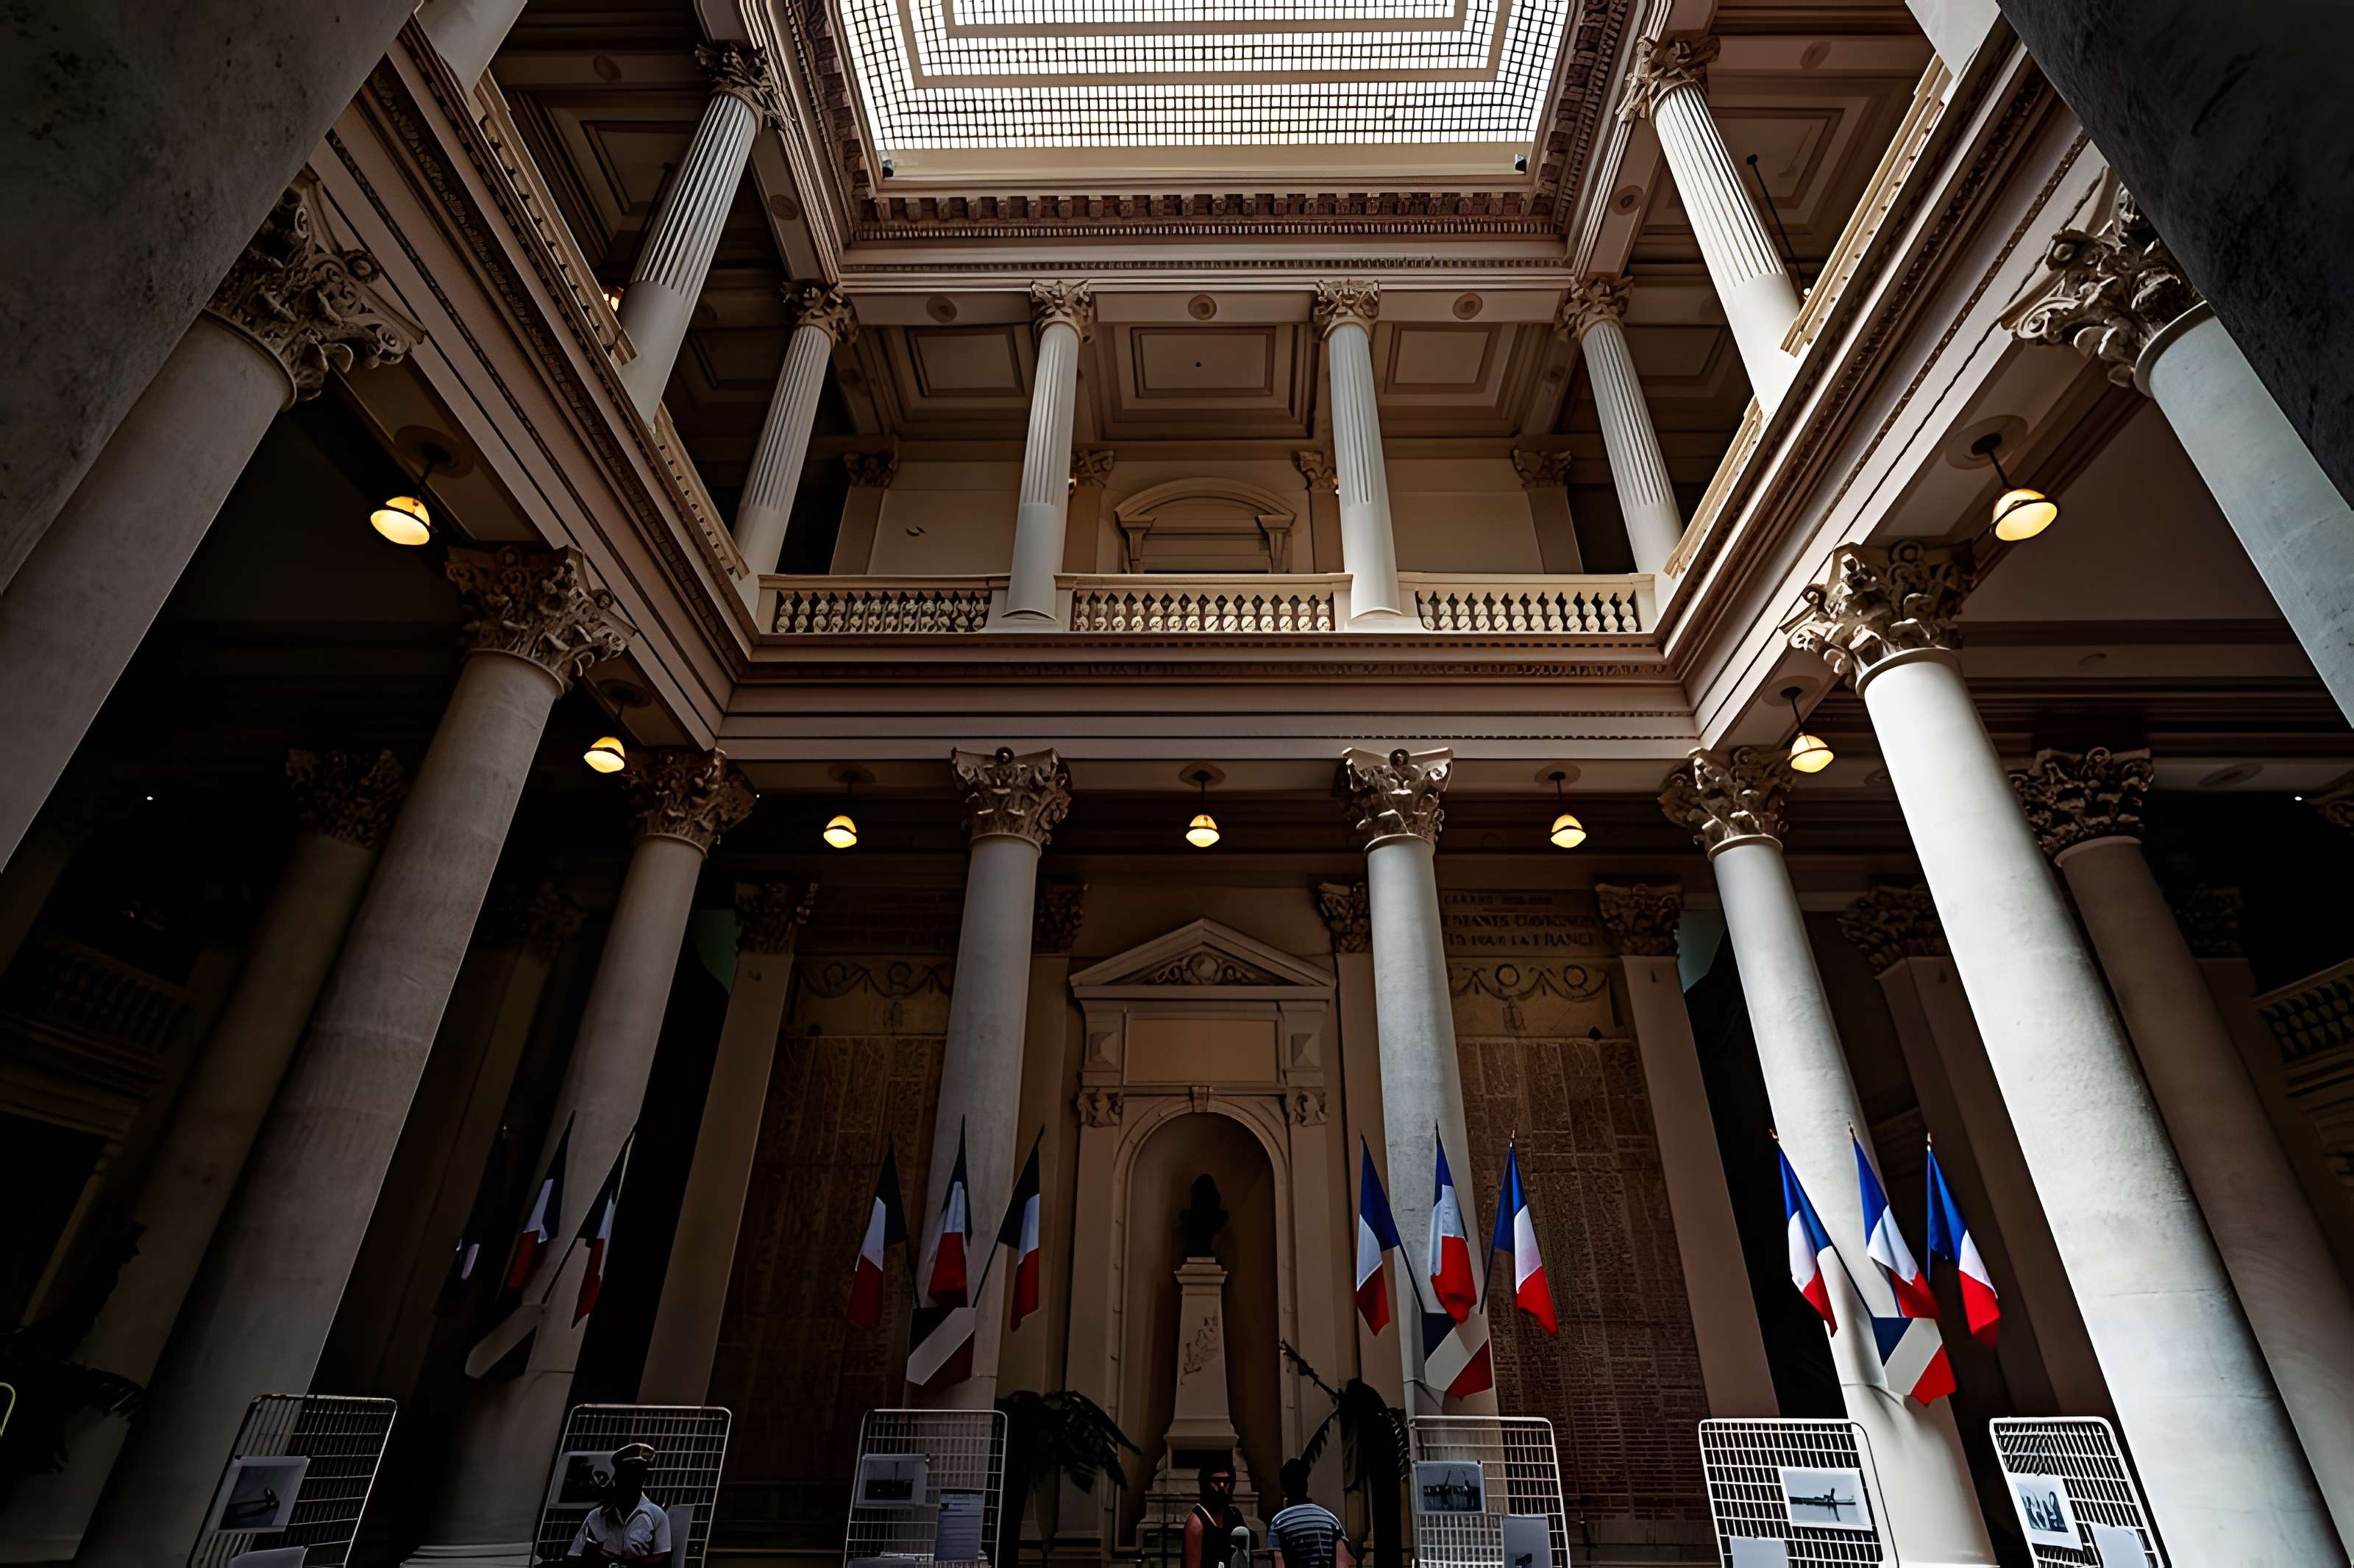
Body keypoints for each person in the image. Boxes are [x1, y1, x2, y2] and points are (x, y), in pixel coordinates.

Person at [564, 1442, 673, 1564]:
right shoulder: (596, 1516)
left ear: (643, 1479)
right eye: (626, 1474)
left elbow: (663, 1557)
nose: (631, 1481)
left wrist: (623, 1563)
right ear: (617, 1477)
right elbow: (573, 1556)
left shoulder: (656, 1515)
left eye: (637, 1475)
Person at [1268, 1458, 1354, 1568]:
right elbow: (1342, 1563)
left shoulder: (1279, 1522)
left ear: (1283, 1490)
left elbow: (1278, 1559)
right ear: (1306, 1486)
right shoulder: (1331, 1520)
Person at [1181, 1459, 1248, 1568]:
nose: (1221, 1486)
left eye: (1226, 1482)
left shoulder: (1234, 1515)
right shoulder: (1197, 1523)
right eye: (1216, 1482)